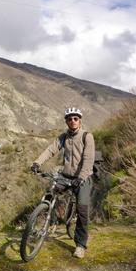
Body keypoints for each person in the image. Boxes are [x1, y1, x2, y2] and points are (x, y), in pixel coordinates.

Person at [30, 107, 95, 259]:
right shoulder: (63, 137)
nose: (73, 121)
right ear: (66, 121)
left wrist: (81, 176)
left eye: (75, 118)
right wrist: (36, 163)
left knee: (82, 211)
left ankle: (80, 245)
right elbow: (50, 150)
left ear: (80, 120)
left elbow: (88, 159)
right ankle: (49, 222)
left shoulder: (87, 136)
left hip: (83, 177)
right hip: (66, 175)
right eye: (70, 118)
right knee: (50, 193)